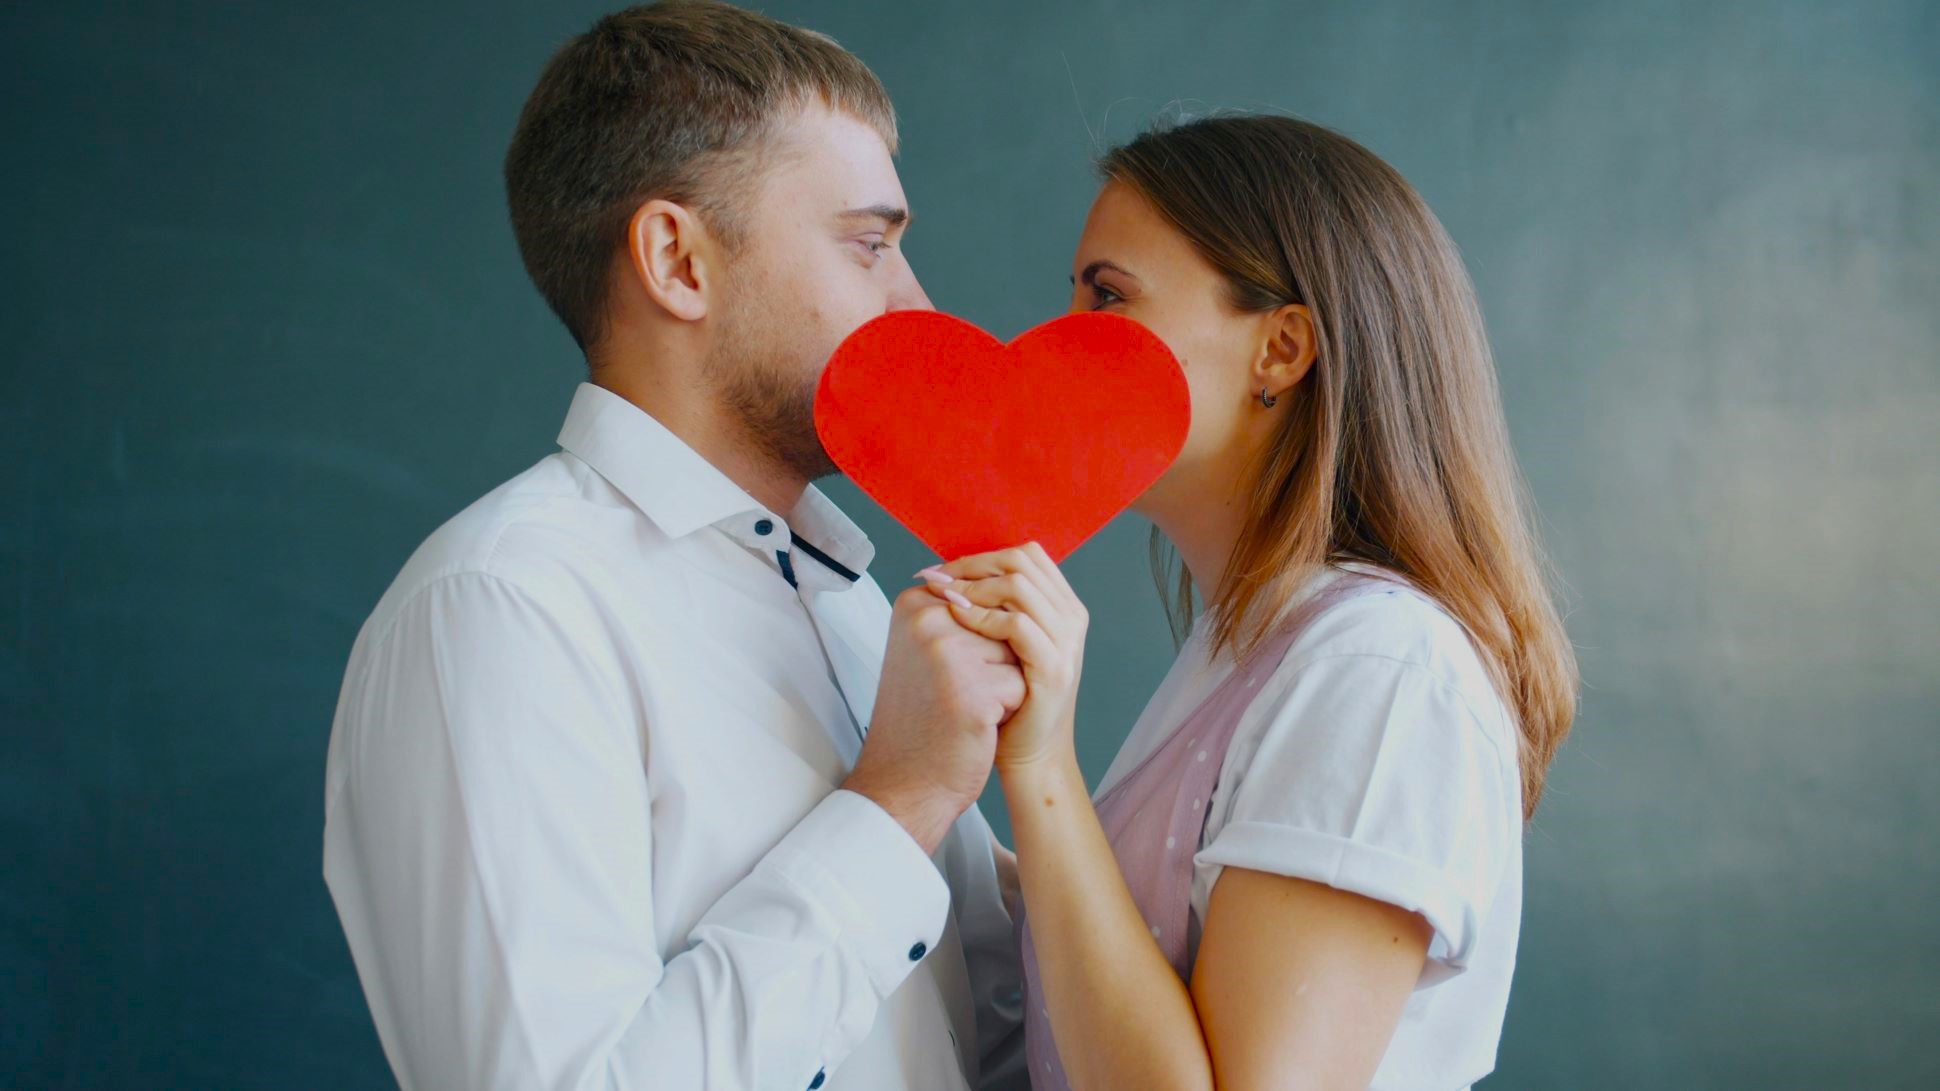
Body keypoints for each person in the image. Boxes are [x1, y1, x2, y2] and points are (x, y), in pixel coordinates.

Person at [322, 3, 1028, 1088]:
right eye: (868, 245)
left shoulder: (843, 600)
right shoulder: (503, 608)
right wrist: (896, 801)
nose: (917, 303)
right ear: (676, 260)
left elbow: (985, 1034)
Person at [922, 115, 1580, 1090]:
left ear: (1280, 349)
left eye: (1108, 295)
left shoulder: (1379, 674)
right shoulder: (1263, 647)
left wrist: (1040, 763)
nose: (1051, 342)